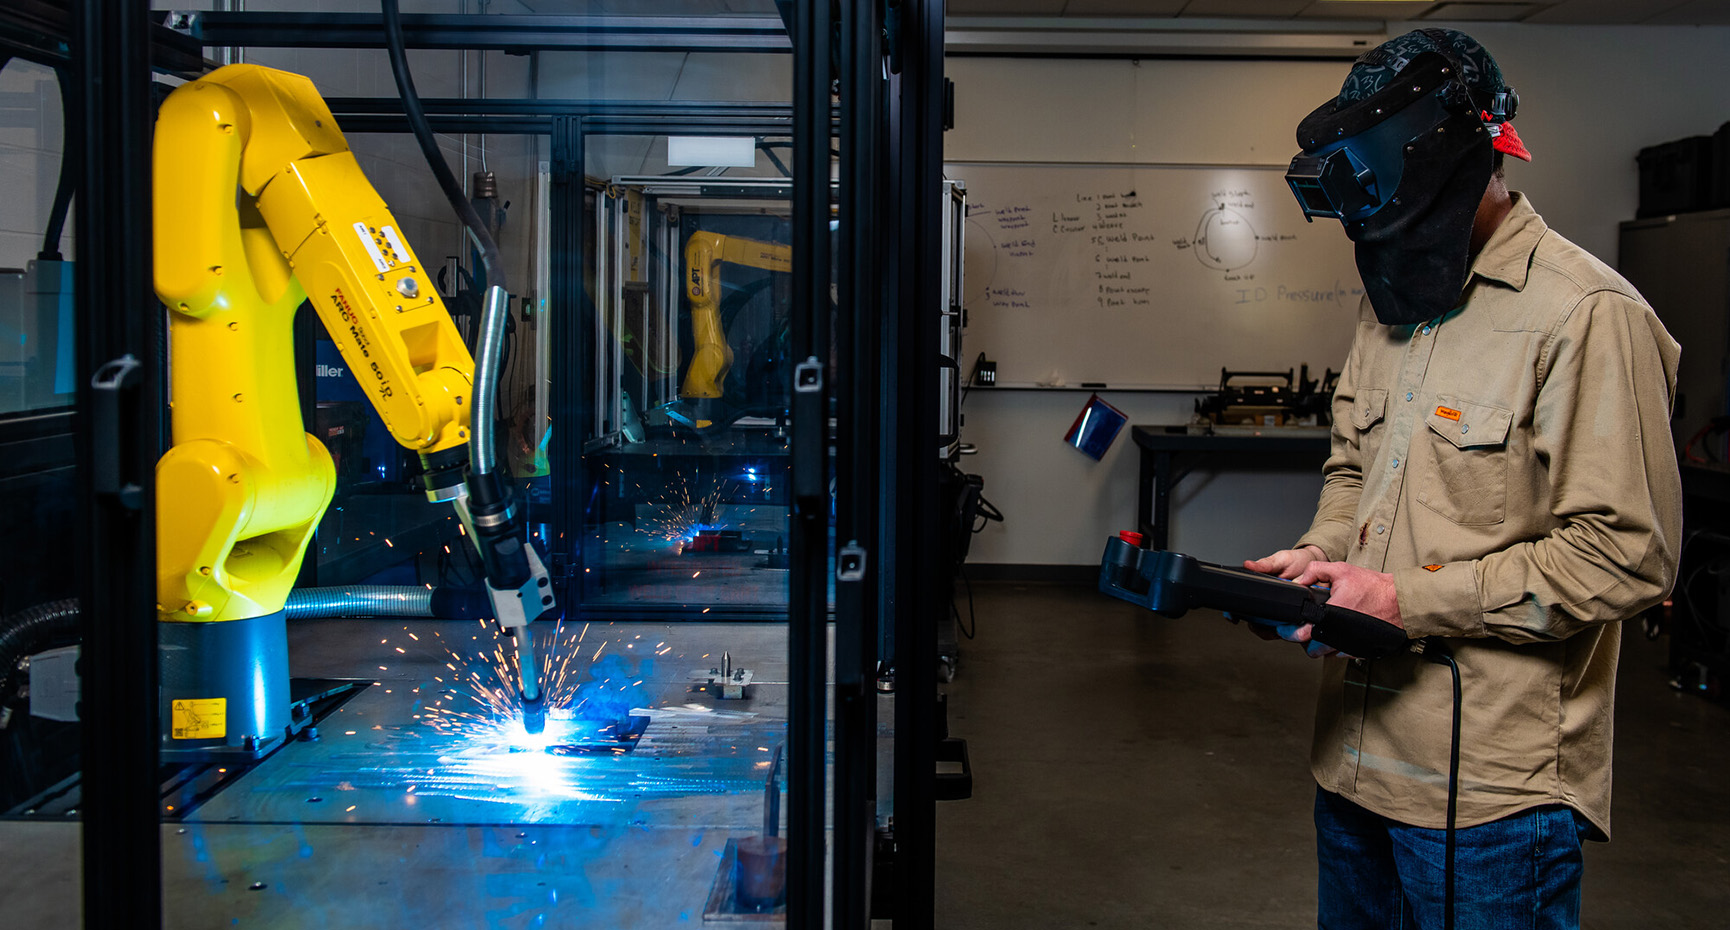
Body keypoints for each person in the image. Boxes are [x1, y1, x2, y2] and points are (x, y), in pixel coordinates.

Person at [1245, 28, 1682, 930]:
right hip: (1353, 759)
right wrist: (1321, 559)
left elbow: (1628, 557)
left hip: (1488, 795)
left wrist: (1405, 601)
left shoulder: (1586, 315)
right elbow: (1354, 466)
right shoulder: (1395, 303)